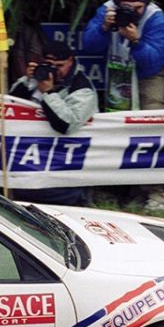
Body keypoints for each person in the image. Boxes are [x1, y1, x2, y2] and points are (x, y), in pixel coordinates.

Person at [83, 0, 164, 212]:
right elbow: (88, 45)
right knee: (115, 131)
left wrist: (137, 41)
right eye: (127, 7)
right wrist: (103, 27)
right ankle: (115, 189)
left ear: (145, 4)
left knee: (151, 131)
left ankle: (156, 192)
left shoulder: (154, 16)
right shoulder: (106, 10)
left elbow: (155, 60)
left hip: (148, 77)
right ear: (117, 3)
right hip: (118, 74)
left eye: (137, 8)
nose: (132, 12)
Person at [8, 40, 99, 205]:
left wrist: (48, 93)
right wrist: (27, 81)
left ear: (71, 61)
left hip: (65, 159)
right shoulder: (38, 77)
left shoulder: (82, 88)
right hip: (31, 155)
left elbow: (66, 125)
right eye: (50, 64)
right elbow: (10, 107)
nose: (55, 70)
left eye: (60, 65)